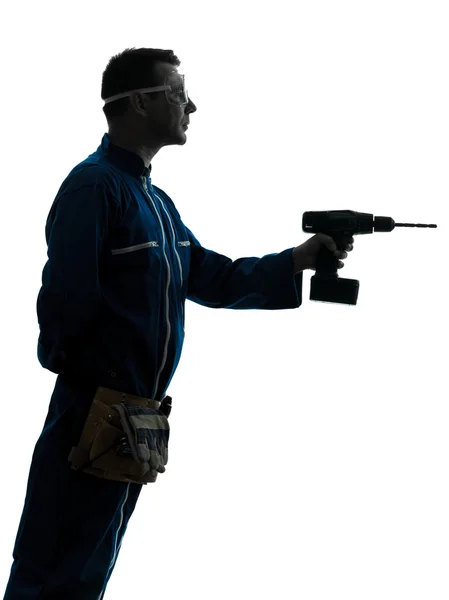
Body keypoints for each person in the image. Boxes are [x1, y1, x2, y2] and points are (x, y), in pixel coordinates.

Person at [2, 47, 353, 600]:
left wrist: (297, 260)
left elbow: (212, 277)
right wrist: (100, 396)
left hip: (131, 423)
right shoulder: (95, 189)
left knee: (88, 570)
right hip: (92, 416)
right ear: (138, 102)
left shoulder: (158, 206)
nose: (192, 104)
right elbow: (63, 312)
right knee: (52, 569)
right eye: (177, 92)